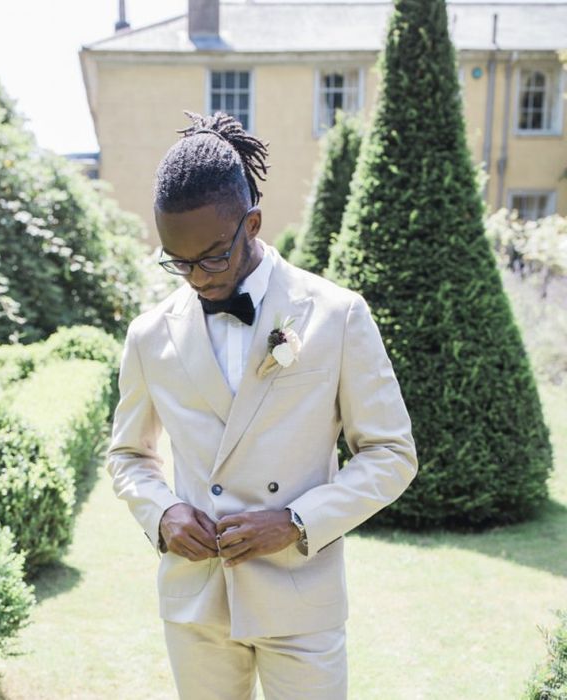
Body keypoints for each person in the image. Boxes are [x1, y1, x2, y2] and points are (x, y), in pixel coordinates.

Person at [105, 110, 418, 700]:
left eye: (212, 257)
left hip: (301, 597)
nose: (196, 277)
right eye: (178, 260)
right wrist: (163, 514)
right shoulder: (150, 335)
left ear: (252, 223)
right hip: (196, 597)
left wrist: (298, 523)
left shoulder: (336, 315)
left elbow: (391, 454)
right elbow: (128, 454)